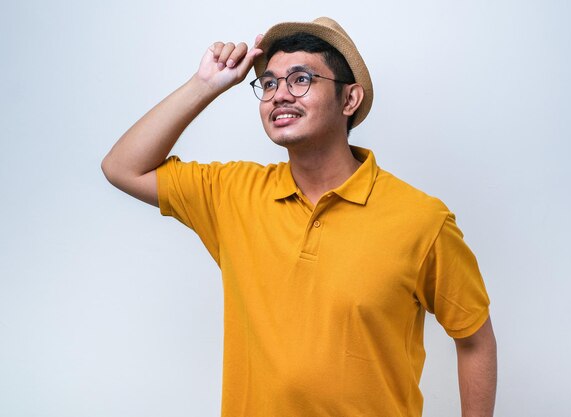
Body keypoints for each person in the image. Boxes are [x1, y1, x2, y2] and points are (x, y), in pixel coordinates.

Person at [102, 16, 497, 417]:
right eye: (269, 84)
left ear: (350, 99)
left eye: (301, 79)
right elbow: (122, 167)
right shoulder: (232, 194)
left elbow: (475, 340)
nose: (279, 95)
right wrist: (203, 86)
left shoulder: (421, 220)